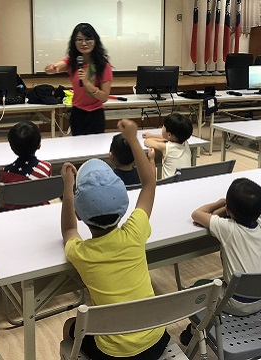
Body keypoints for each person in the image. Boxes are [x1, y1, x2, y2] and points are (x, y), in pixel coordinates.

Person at [60, 119, 169, 360]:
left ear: (79, 214)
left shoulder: (81, 253)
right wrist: (132, 138)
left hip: (114, 354)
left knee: (70, 326)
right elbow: (149, 182)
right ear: (124, 208)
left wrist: (68, 187)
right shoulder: (135, 231)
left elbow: (68, 229)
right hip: (157, 340)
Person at [191, 178, 261, 316]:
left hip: (236, 303)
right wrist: (227, 208)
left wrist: (220, 203)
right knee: (222, 282)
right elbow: (214, 216)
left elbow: (197, 215)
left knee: (198, 286)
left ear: (228, 210)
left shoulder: (229, 229)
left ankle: (193, 331)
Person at [45, 23, 112, 136]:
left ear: (95, 41)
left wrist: (87, 83)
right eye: (79, 40)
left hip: (95, 114)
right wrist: (52, 68)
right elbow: (59, 66)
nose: (84, 43)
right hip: (77, 113)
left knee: (95, 150)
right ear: (74, 42)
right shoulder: (73, 62)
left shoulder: (103, 65)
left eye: (88, 39)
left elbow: (104, 97)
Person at [0, 121, 52, 211]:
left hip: (12, 217)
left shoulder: (6, 173)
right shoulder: (46, 167)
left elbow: (3, 203)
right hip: (41, 213)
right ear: (39, 144)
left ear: (12, 148)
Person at [142, 113, 193, 178]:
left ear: (169, 135)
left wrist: (152, 138)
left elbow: (147, 142)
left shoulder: (166, 147)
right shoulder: (185, 142)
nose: (162, 127)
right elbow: (166, 137)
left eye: (163, 126)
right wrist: (152, 135)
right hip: (183, 184)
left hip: (168, 185)